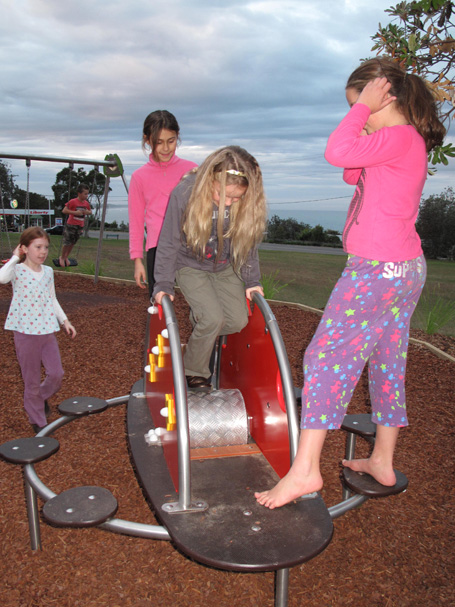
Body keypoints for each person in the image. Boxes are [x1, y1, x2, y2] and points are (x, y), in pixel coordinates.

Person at [255, 58, 446, 509]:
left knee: (324, 356)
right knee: (386, 359)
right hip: (404, 268)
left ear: (384, 97)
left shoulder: (398, 137)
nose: (356, 112)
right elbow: (350, 170)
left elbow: (336, 152)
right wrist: (363, 121)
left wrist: (358, 113)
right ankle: (382, 458)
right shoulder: (401, 142)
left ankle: (304, 472)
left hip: (376, 269)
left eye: (360, 102)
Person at [153, 145, 267, 391]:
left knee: (237, 321)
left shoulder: (243, 205)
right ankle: (192, 372)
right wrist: (162, 283)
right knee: (212, 318)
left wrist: (251, 280)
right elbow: (169, 241)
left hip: (225, 267)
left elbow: (248, 244)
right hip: (190, 263)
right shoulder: (185, 193)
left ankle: (202, 331)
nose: (228, 203)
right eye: (222, 195)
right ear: (210, 181)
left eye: (236, 198)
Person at [0, 227, 76, 432]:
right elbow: (2, 278)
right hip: (25, 333)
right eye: (38, 247)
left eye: (46, 248)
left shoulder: (48, 272)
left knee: (56, 374)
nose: (43, 252)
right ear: (25, 248)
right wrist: (15, 257)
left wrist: (65, 320)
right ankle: (39, 422)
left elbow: (52, 299)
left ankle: (36, 399)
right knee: (31, 379)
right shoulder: (16, 270)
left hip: (47, 331)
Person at [128, 110, 197, 297]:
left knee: (198, 304)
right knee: (159, 303)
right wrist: (137, 260)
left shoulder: (192, 170)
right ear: (147, 140)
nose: (166, 148)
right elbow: (135, 221)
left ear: (178, 137)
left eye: (171, 141)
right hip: (158, 250)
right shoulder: (139, 177)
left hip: (190, 246)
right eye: (159, 142)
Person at [59, 183, 92, 267]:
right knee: (67, 242)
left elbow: (90, 211)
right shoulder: (73, 202)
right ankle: (62, 257)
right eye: (85, 194)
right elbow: (64, 210)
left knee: (73, 243)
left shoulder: (86, 203)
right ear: (79, 193)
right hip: (71, 225)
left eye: (87, 194)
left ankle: (66, 256)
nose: (86, 196)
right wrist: (74, 212)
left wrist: (87, 212)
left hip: (80, 225)